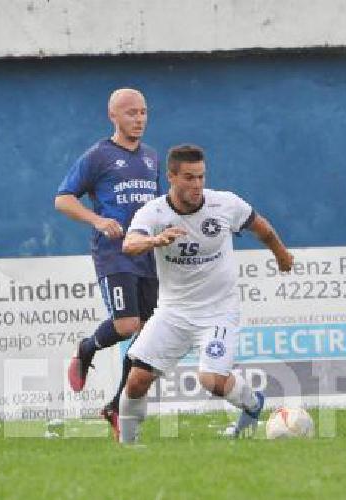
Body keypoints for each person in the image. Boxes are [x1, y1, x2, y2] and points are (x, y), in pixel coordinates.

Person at [117, 143, 293, 444]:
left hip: (218, 312)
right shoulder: (154, 212)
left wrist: (281, 255)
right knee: (136, 381)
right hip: (173, 312)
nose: (197, 185)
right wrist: (155, 240)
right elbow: (129, 245)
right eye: (189, 177)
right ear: (171, 177)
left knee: (211, 380)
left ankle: (252, 404)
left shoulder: (225, 204)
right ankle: (127, 450)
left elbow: (261, 227)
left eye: (201, 177)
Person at [54, 88, 163, 439]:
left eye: (144, 112)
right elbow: (63, 199)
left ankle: (115, 406)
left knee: (147, 336)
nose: (139, 119)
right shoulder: (98, 156)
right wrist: (98, 221)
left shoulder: (151, 158)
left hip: (146, 254)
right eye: (131, 113)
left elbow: (155, 206)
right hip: (114, 254)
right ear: (113, 116)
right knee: (128, 324)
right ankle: (87, 348)